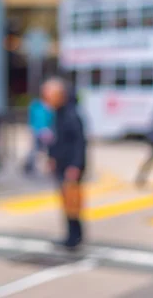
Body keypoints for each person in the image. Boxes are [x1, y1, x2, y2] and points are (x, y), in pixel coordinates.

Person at [43, 78, 87, 250]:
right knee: (67, 203)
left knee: (73, 202)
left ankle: (74, 237)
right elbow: (56, 140)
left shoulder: (71, 114)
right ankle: (72, 235)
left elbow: (79, 142)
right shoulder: (58, 113)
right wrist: (52, 157)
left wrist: (76, 165)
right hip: (62, 164)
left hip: (70, 167)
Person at [23, 96, 54, 176]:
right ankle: (29, 166)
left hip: (45, 131)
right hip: (38, 131)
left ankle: (48, 167)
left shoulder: (48, 107)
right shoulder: (38, 106)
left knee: (45, 150)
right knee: (36, 149)